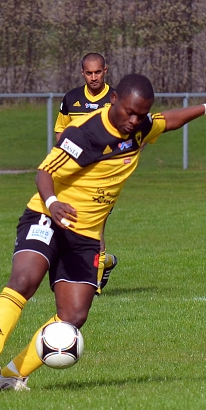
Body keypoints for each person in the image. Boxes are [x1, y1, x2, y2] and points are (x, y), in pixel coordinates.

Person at [0, 73, 206, 391]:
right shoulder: (85, 134)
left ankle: (11, 375)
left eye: (140, 114)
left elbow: (167, 121)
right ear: (114, 99)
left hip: (85, 236)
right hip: (47, 217)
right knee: (24, 280)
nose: (134, 120)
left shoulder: (140, 127)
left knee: (73, 314)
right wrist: (53, 202)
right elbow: (45, 171)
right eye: (129, 111)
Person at [54, 53, 119, 293]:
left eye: (98, 72)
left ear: (105, 71)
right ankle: (106, 263)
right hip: (75, 176)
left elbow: (135, 135)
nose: (94, 77)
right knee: (71, 227)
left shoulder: (116, 99)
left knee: (96, 226)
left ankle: (94, 286)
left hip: (104, 177)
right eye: (89, 73)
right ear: (82, 73)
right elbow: (61, 132)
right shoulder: (71, 99)